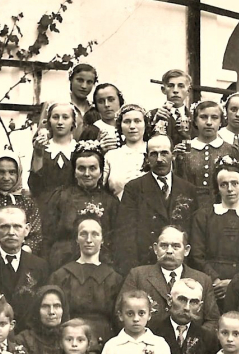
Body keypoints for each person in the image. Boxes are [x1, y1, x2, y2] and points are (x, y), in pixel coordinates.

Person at [114, 133, 200, 275]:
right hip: (145, 265)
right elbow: (126, 234)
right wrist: (133, 271)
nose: (159, 159)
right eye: (153, 154)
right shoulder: (134, 188)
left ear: (173, 155)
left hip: (180, 266)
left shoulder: (188, 189)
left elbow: (194, 233)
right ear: (147, 158)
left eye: (164, 153)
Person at [189, 163, 239, 301]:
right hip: (210, 285)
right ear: (217, 188)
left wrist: (234, 283)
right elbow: (196, 255)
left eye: (235, 183)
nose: (230, 189)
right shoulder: (203, 216)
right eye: (224, 184)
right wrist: (215, 280)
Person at [48, 213, 123, 349]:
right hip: (70, 340)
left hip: (105, 341)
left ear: (102, 239)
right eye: (83, 234)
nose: (89, 240)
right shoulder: (61, 276)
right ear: (77, 239)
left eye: (95, 234)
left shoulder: (114, 278)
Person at [121, 225, 220, 329]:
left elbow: (212, 320)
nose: (169, 251)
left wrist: (190, 336)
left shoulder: (203, 280)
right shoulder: (138, 275)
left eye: (175, 246)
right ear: (155, 248)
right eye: (164, 246)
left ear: (186, 250)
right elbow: (122, 313)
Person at [43, 142, 119, 270]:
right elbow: (47, 237)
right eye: (81, 168)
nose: (87, 174)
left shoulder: (110, 202)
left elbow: (116, 239)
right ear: (74, 171)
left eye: (92, 168)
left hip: (101, 264)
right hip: (64, 263)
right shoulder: (60, 197)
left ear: (101, 172)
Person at [0, 205, 50, 324]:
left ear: (27, 229)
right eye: (4, 227)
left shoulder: (40, 265)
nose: (11, 232)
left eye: (17, 226)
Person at [175, 100, 239, 209]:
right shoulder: (185, 150)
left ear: (221, 122)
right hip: (191, 208)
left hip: (222, 208)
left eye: (214, 117)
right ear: (195, 121)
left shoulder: (231, 150)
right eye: (203, 117)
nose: (209, 122)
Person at [16, 286, 69, 354]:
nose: (51, 312)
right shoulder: (24, 339)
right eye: (45, 306)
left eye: (57, 306)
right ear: (36, 310)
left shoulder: (71, 337)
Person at [28, 102, 78, 204]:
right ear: (49, 121)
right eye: (55, 117)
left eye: (65, 117)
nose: (60, 122)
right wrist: (38, 155)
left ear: (73, 122)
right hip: (45, 206)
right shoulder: (42, 148)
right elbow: (34, 186)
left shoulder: (78, 150)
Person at [105, 104, 152, 202]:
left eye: (137, 121)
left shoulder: (154, 151)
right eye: (127, 121)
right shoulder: (112, 156)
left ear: (145, 124)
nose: (132, 126)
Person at [147, 68, 193, 147]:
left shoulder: (195, 118)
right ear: (163, 90)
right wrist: (154, 123)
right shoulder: (151, 116)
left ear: (188, 91)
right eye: (171, 86)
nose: (175, 90)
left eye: (181, 86)